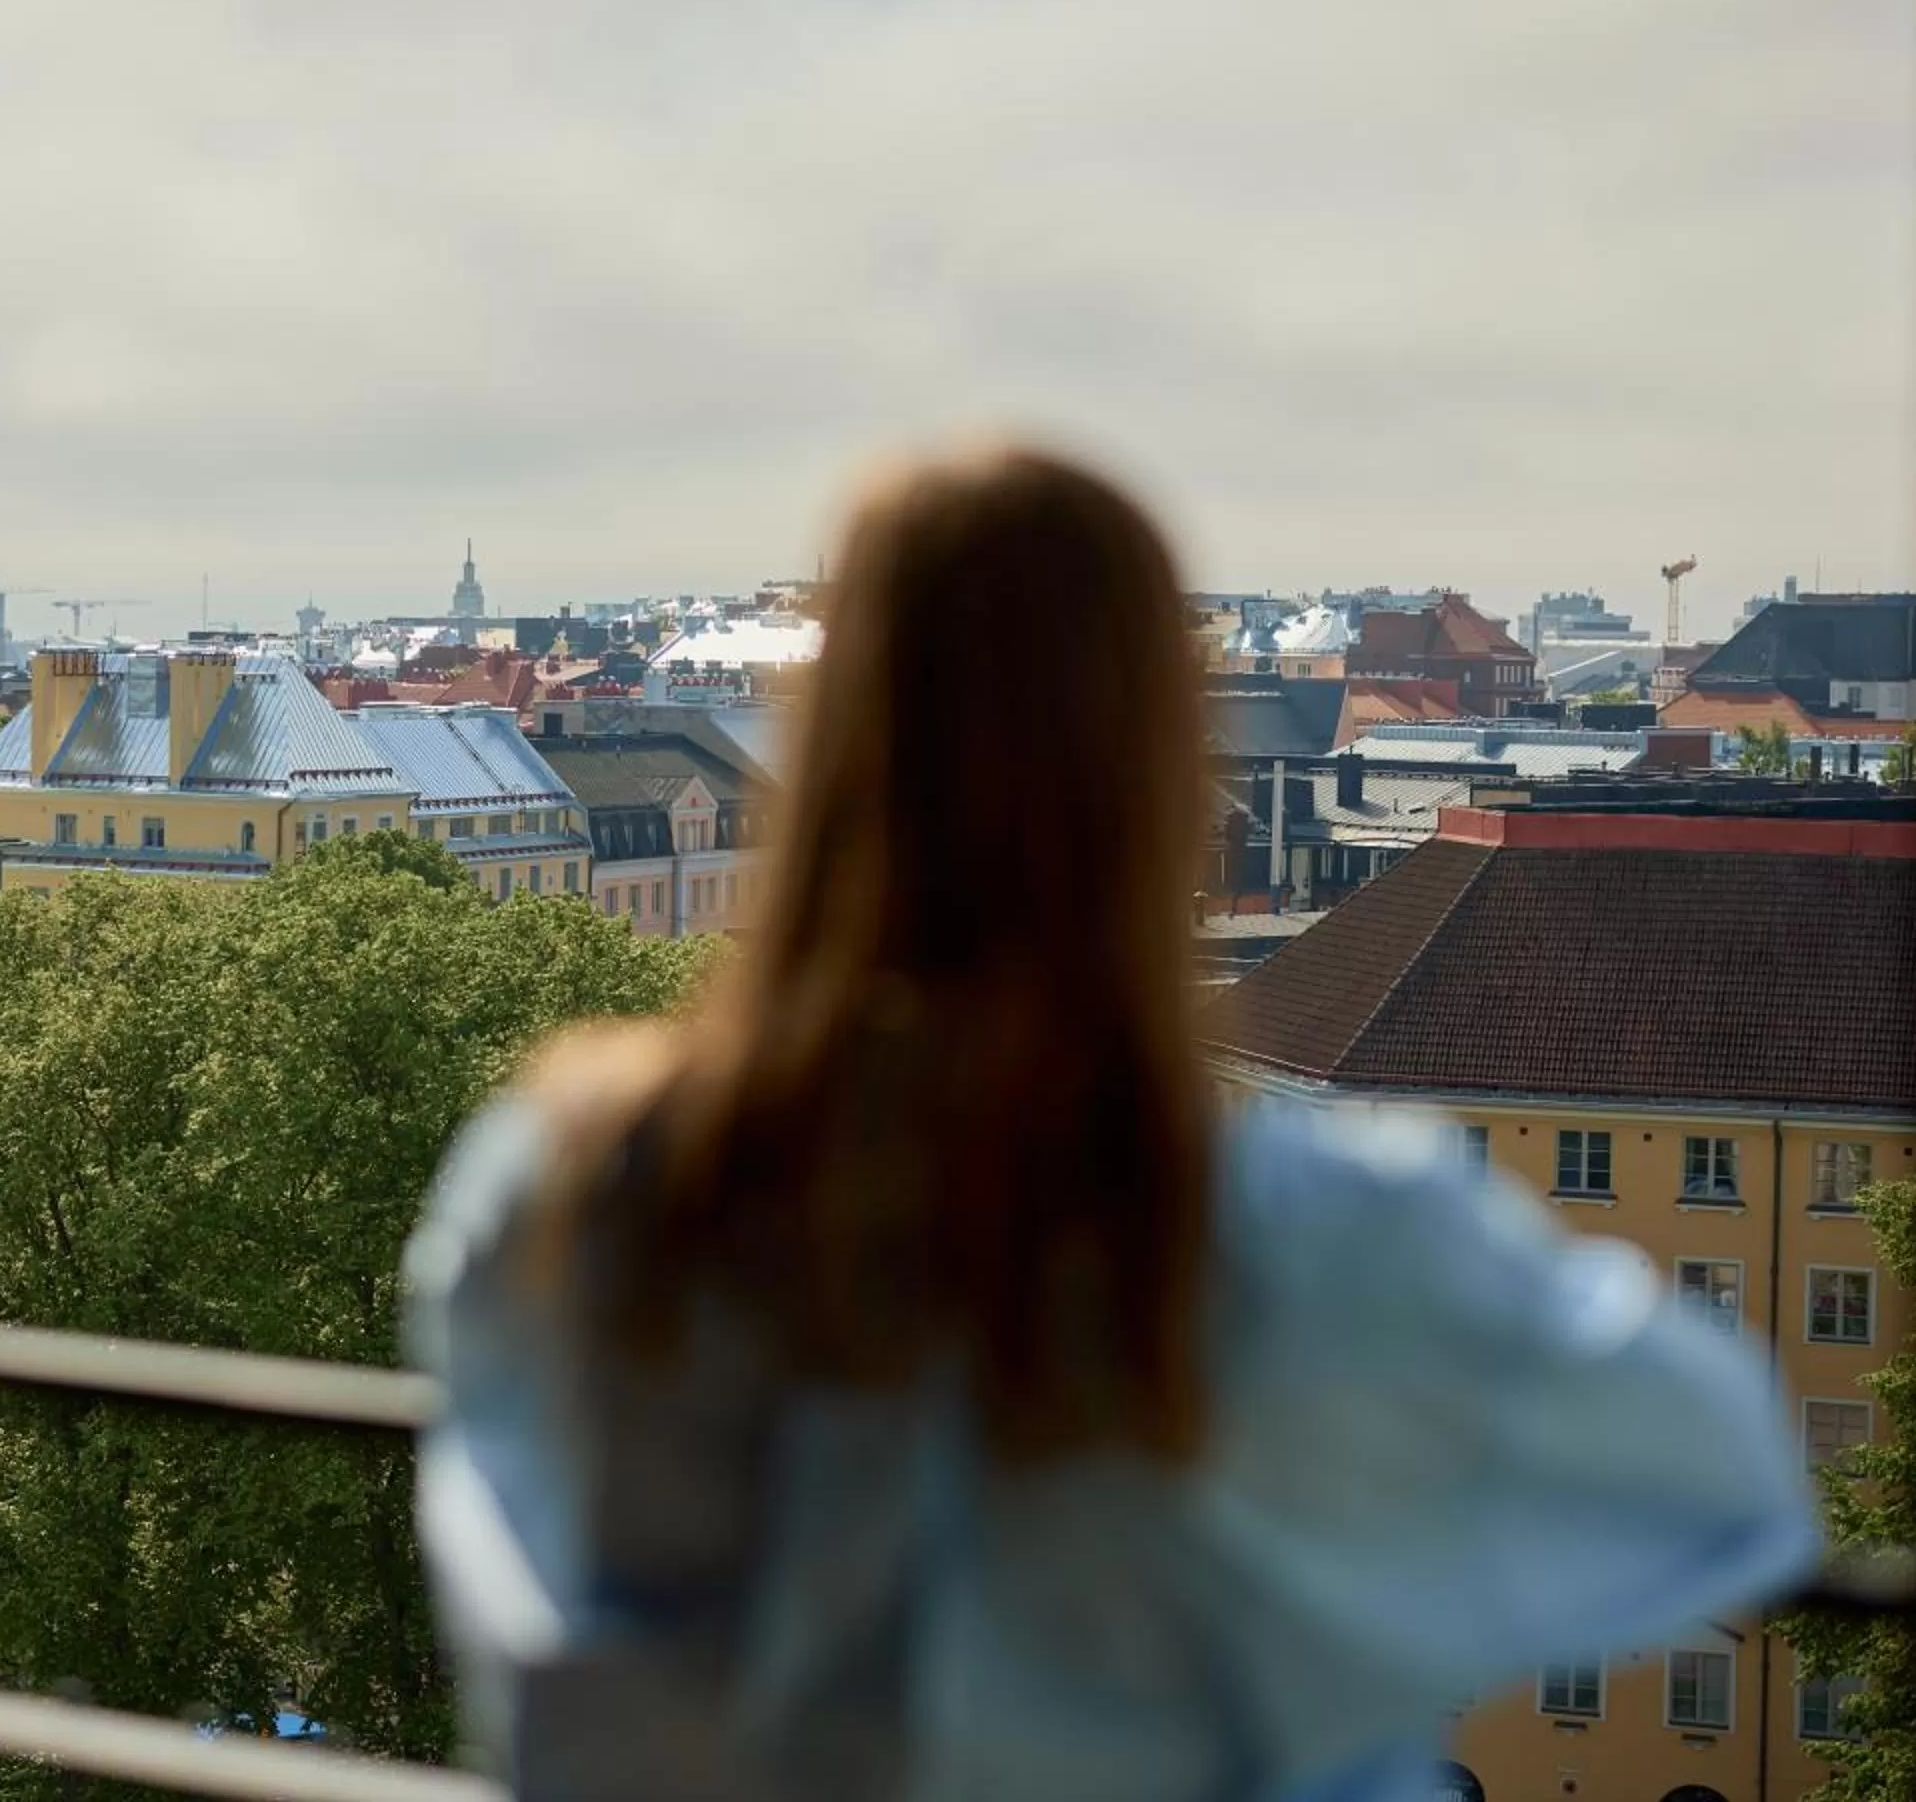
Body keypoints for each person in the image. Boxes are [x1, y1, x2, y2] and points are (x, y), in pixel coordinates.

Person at [402, 446, 1817, 1801]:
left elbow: (549, 1668)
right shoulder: (1299, 1229)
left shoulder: (567, 1184)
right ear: (1162, 776)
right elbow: (1727, 1478)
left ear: (822, 752)